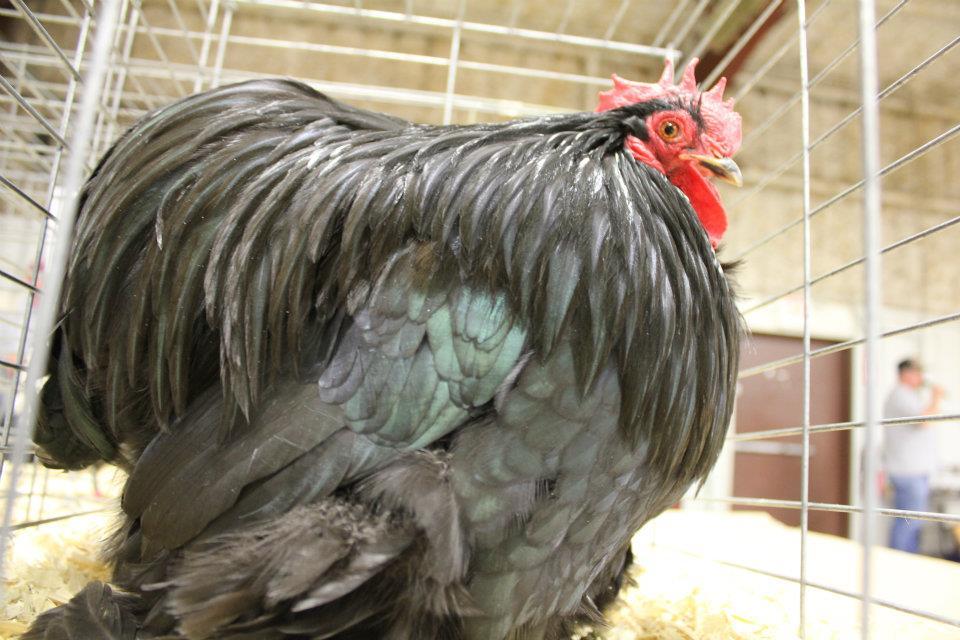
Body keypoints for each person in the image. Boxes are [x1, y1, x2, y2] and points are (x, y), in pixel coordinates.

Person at [883, 359, 944, 553]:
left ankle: (905, 560)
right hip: (908, 472)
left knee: (910, 523)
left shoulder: (907, 395)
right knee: (908, 523)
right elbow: (924, 421)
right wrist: (936, 397)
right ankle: (899, 561)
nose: (920, 377)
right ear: (906, 374)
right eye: (917, 372)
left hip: (912, 470)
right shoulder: (901, 395)